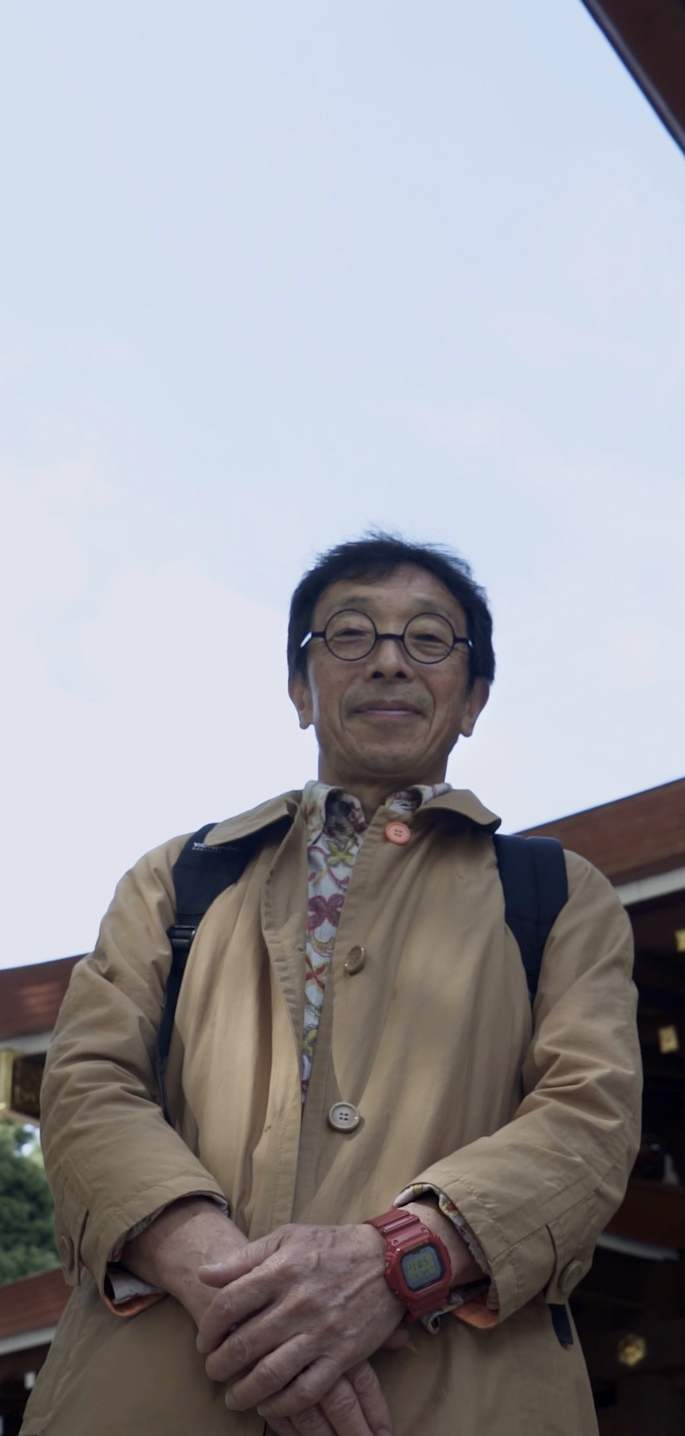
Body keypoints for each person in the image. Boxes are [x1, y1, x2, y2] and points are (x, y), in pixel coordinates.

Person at [23, 534, 641, 1436]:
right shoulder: (178, 880)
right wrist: (232, 1290)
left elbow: (591, 1116)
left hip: (459, 1397)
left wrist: (395, 1264)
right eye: (349, 634)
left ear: (473, 701)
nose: (389, 658)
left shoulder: (556, 894)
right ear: (299, 688)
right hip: (157, 1388)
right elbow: (87, 1087)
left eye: (429, 639)